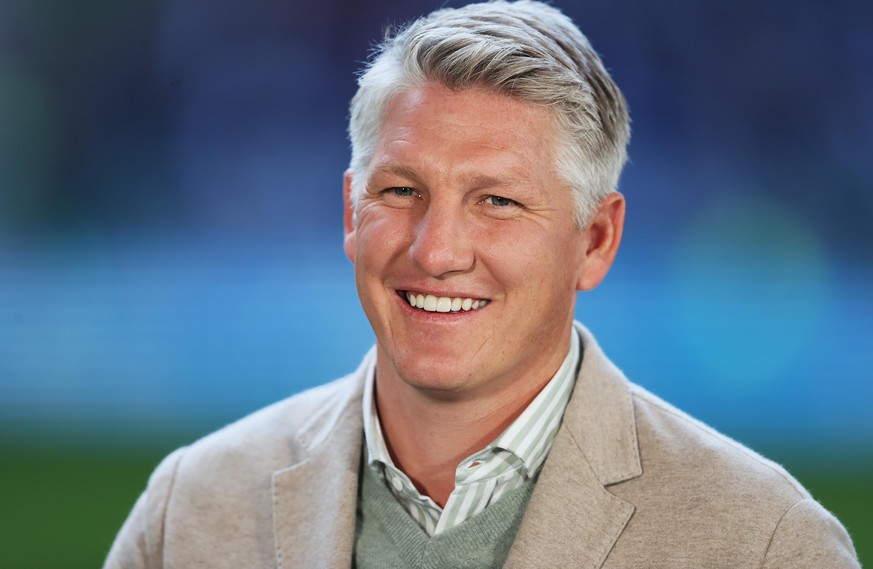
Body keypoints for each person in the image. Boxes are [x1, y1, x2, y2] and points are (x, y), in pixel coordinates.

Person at [104, 1, 860, 567]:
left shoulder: (764, 542)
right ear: (349, 209)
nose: (435, 252)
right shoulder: (191, 510)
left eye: (496, 201)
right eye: (400, 191)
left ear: (594, 240)